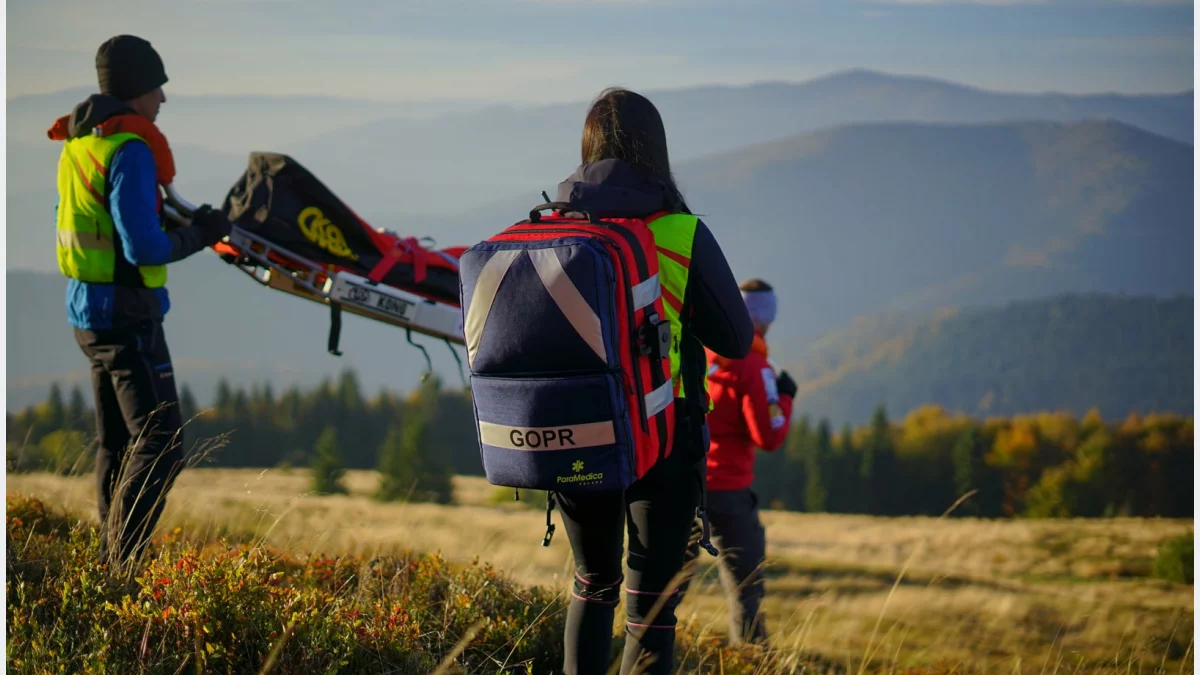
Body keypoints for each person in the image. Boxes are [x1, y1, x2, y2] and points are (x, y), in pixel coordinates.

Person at [552, 88, 754, 675]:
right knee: (651, 609)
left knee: (592, 584)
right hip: (664, 433)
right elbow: (735, 340)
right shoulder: (679, 232)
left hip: (580, 428)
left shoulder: (557, 227)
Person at [47, 35, 231, 566]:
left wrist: (184, 226)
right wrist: (201, 235)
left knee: (118, 443)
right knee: (161, 444)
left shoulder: (80, 144)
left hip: (87, 313)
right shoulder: (129, 149)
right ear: (135, 90)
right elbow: (143, 247)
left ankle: (109, 564)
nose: (163, 99)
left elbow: (100, 223)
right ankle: (122, 566)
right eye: (157, 87)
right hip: (128, 317)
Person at [690, 279, 797, 645]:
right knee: (746, 591)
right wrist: (785, 398)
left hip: (685, 484)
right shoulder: (754, 366)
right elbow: (769, 436)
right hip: (729, 493)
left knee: (663, 588)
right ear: (765, 318)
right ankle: (749, 660)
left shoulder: (703, 353)